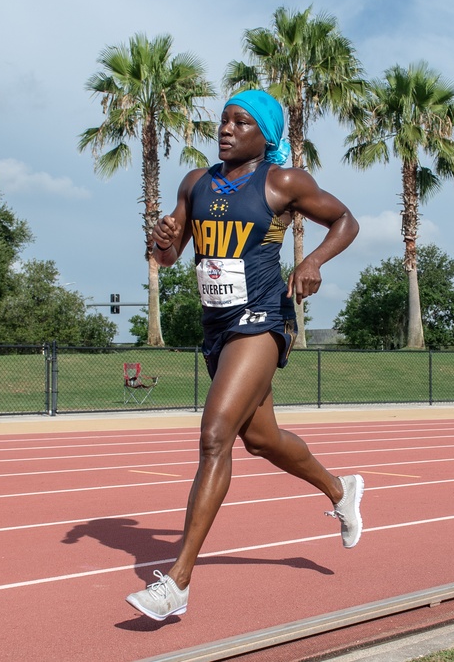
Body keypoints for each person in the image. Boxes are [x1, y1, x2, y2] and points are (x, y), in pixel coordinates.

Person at [125, 90, 363, 621]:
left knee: (215, 436)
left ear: (265, 135)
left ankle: (178, 582)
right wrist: (160, 236)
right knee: (261, 439)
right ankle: (339, 488)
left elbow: (345, 221)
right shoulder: (196, 182)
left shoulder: (283, 182)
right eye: (224, 120)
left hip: (262, 319)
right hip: (216, 326)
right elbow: (167, 256)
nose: (226, 129)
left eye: (241, 122)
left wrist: (314, 262)